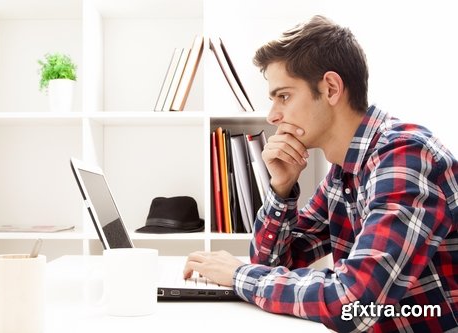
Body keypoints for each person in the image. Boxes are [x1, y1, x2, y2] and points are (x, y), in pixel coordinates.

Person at [183, 15, 457, 332]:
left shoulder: (406, 157)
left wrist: (237, 275)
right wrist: (281, 189)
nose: (273, 116)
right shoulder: (344, 172)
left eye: (283, 96)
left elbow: (353, 303)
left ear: (330, 88)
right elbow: (270, 265)